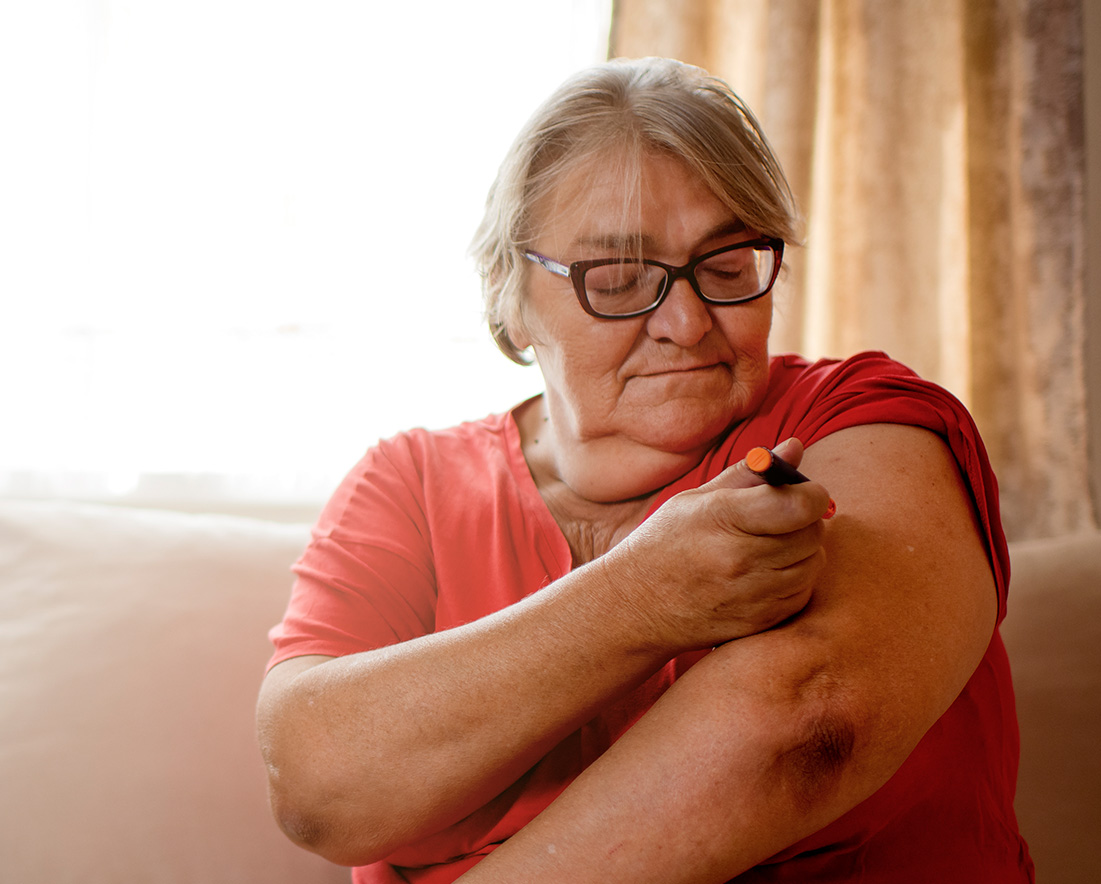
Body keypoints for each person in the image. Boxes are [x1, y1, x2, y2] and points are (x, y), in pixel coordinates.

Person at [256, 57, 1034, 883]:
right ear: (508, 298)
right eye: (619, 280)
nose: (687, 321)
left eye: (729, 268)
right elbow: (317, 790)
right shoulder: (409, 483)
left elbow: (809, 715)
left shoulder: (864, 417)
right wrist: (642, 593)